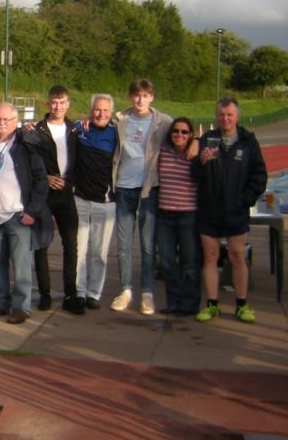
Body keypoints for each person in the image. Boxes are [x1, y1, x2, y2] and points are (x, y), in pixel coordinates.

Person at [193, 98, 267, 324]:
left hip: (236, 210)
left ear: (237, 117)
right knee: (210, 257)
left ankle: (242, 304)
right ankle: (212, 304)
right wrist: (200, 163)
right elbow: (194, 175)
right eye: (221, 115)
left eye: (229, 115)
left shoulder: (248, 141)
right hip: (209, 210)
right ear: (216, 116)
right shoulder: (207, 139)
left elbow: (259, 175)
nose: (225, 119)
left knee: (236, 255)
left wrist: (245, 200)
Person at [0, 102, 51, 323]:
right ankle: (1, 302)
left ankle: (21, 307)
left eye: (5, 119)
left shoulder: (24, 144)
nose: (1, 123)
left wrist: (31, 211)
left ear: (15, 121)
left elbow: (41, 180)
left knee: (20, 265)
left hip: (17, 214)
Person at [110, 78, 172, 316]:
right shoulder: (119, 119)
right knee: (124, 245)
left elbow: (182, 139)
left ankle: (147, 294)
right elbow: (97, 124)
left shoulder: (164, 122)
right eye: (136, 95)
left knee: (147, 245)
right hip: (124, 187)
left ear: (151, 97)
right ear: (130, 97)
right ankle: (125, 290)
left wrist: (195, 145)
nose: (140, 100)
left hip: (149, 188)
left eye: (145, 96)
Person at [30, 85, 81, 314]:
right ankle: (45, 294)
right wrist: (45, 177)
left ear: (67, 104)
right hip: (45, 193)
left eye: (62, 103)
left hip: (66, 193)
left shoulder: (75, 129)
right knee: (41, 244)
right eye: (54, 102)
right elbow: (30, 161)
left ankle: (70, 293)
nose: (58, 106)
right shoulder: (36, 130)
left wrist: (69, 181)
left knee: (70, 244)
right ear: (48, 104)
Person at [71, 94, 118, 311]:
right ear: (91, 111)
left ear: (111, 113)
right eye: (97, 109)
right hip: (80, 199)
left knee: (100, 252)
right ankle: (79, 291)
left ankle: (94, 293)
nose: (101, 114)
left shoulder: (117, 133)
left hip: (105, 203)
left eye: (105, 110)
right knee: (79, 250)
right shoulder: (79, 128)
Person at [156, 117, 201, 316]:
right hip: (164, 215)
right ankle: (173, 302)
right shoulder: (164, 151)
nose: (179, 135)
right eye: (176, 131)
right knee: (167, 263)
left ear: (190, 134)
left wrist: (198, 142)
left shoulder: (195, 153)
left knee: (189, 262)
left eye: (184, 132)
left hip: (188, 215)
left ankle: (189, 304)